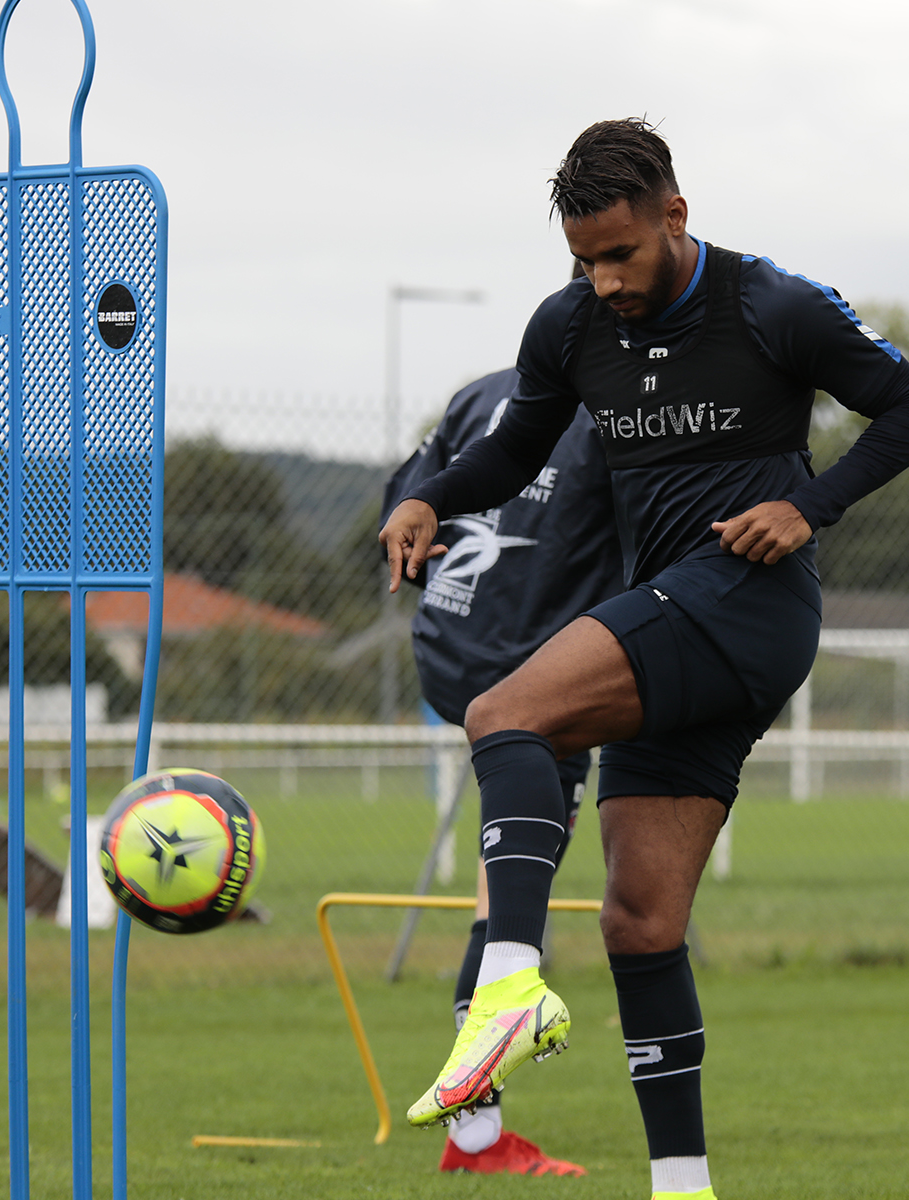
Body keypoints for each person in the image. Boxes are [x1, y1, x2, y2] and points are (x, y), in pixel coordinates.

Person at [379, 118, 909, 1200]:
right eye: (582, 259)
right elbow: (512, 450)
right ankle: (682, 1186)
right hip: (670, 622)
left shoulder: (772, 305)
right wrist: (427, 495)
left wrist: (808, 505)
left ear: (674, 216)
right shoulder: (570, 325)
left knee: (505, 713)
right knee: (640, 920)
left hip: (749, 607)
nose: (602, 281)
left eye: (619, 255)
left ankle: (507, 988)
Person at [381, 354, 622, 1176]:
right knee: (514, 894)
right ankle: (475, 1136)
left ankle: (474, 1129)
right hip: (535, 672)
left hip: (450, 648)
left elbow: (400, 514)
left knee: (506, 888)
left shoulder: (481, 391)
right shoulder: (623, 407)